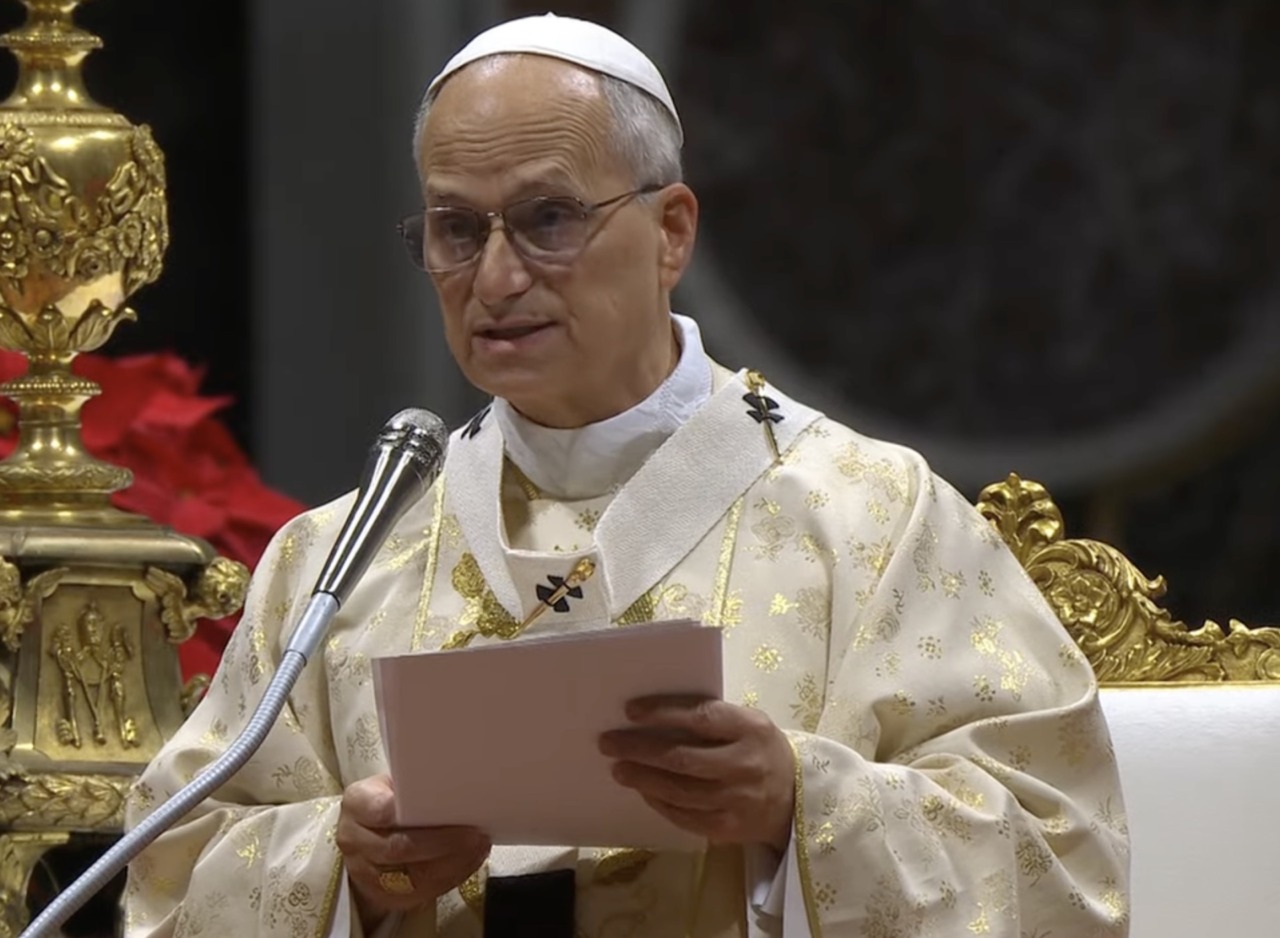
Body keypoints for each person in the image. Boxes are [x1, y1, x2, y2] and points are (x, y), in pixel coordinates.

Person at [123, 13, 1129, 938]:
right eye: (457, 229)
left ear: (671, 231)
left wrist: (797, 805)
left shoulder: (873, 517)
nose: (495, 277)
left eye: (549, 217)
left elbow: (1059, 858)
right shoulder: (336, 560)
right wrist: (346, 867)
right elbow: (170, 876)